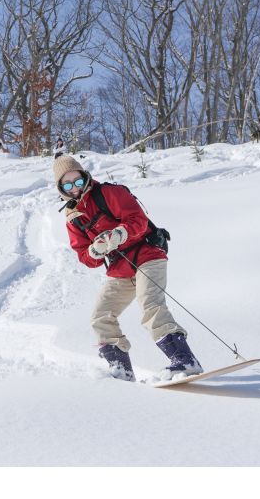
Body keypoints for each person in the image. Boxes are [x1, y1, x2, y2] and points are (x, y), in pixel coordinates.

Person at [53, 155, 202, 382]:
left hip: (148, 253)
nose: (74, 188)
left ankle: (185, 360)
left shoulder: (109, 193)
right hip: (120, 268)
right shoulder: (73, 218)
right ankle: (121, 371)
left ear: (85, 178)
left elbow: (138, 220)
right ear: (61, 188)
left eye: (78, 181)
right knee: (100, 315)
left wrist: (119, 234)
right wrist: (95, 251)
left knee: (150, 304)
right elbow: (85, 256)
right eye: (67, 184)